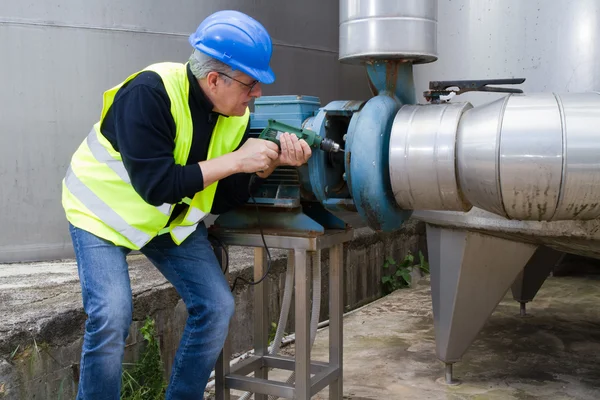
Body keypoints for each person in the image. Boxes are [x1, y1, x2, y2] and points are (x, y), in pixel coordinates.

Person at [61, 9, 312, 400]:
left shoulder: (234, 116)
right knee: (111, 316)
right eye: (251, 84)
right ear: (214, 79)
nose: (257, 94)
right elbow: (156, 184)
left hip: (167, 222)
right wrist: (236, 160)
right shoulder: (149, 94)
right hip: (101, 214)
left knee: (216, 307)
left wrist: (262, 170)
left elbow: (222, 195)